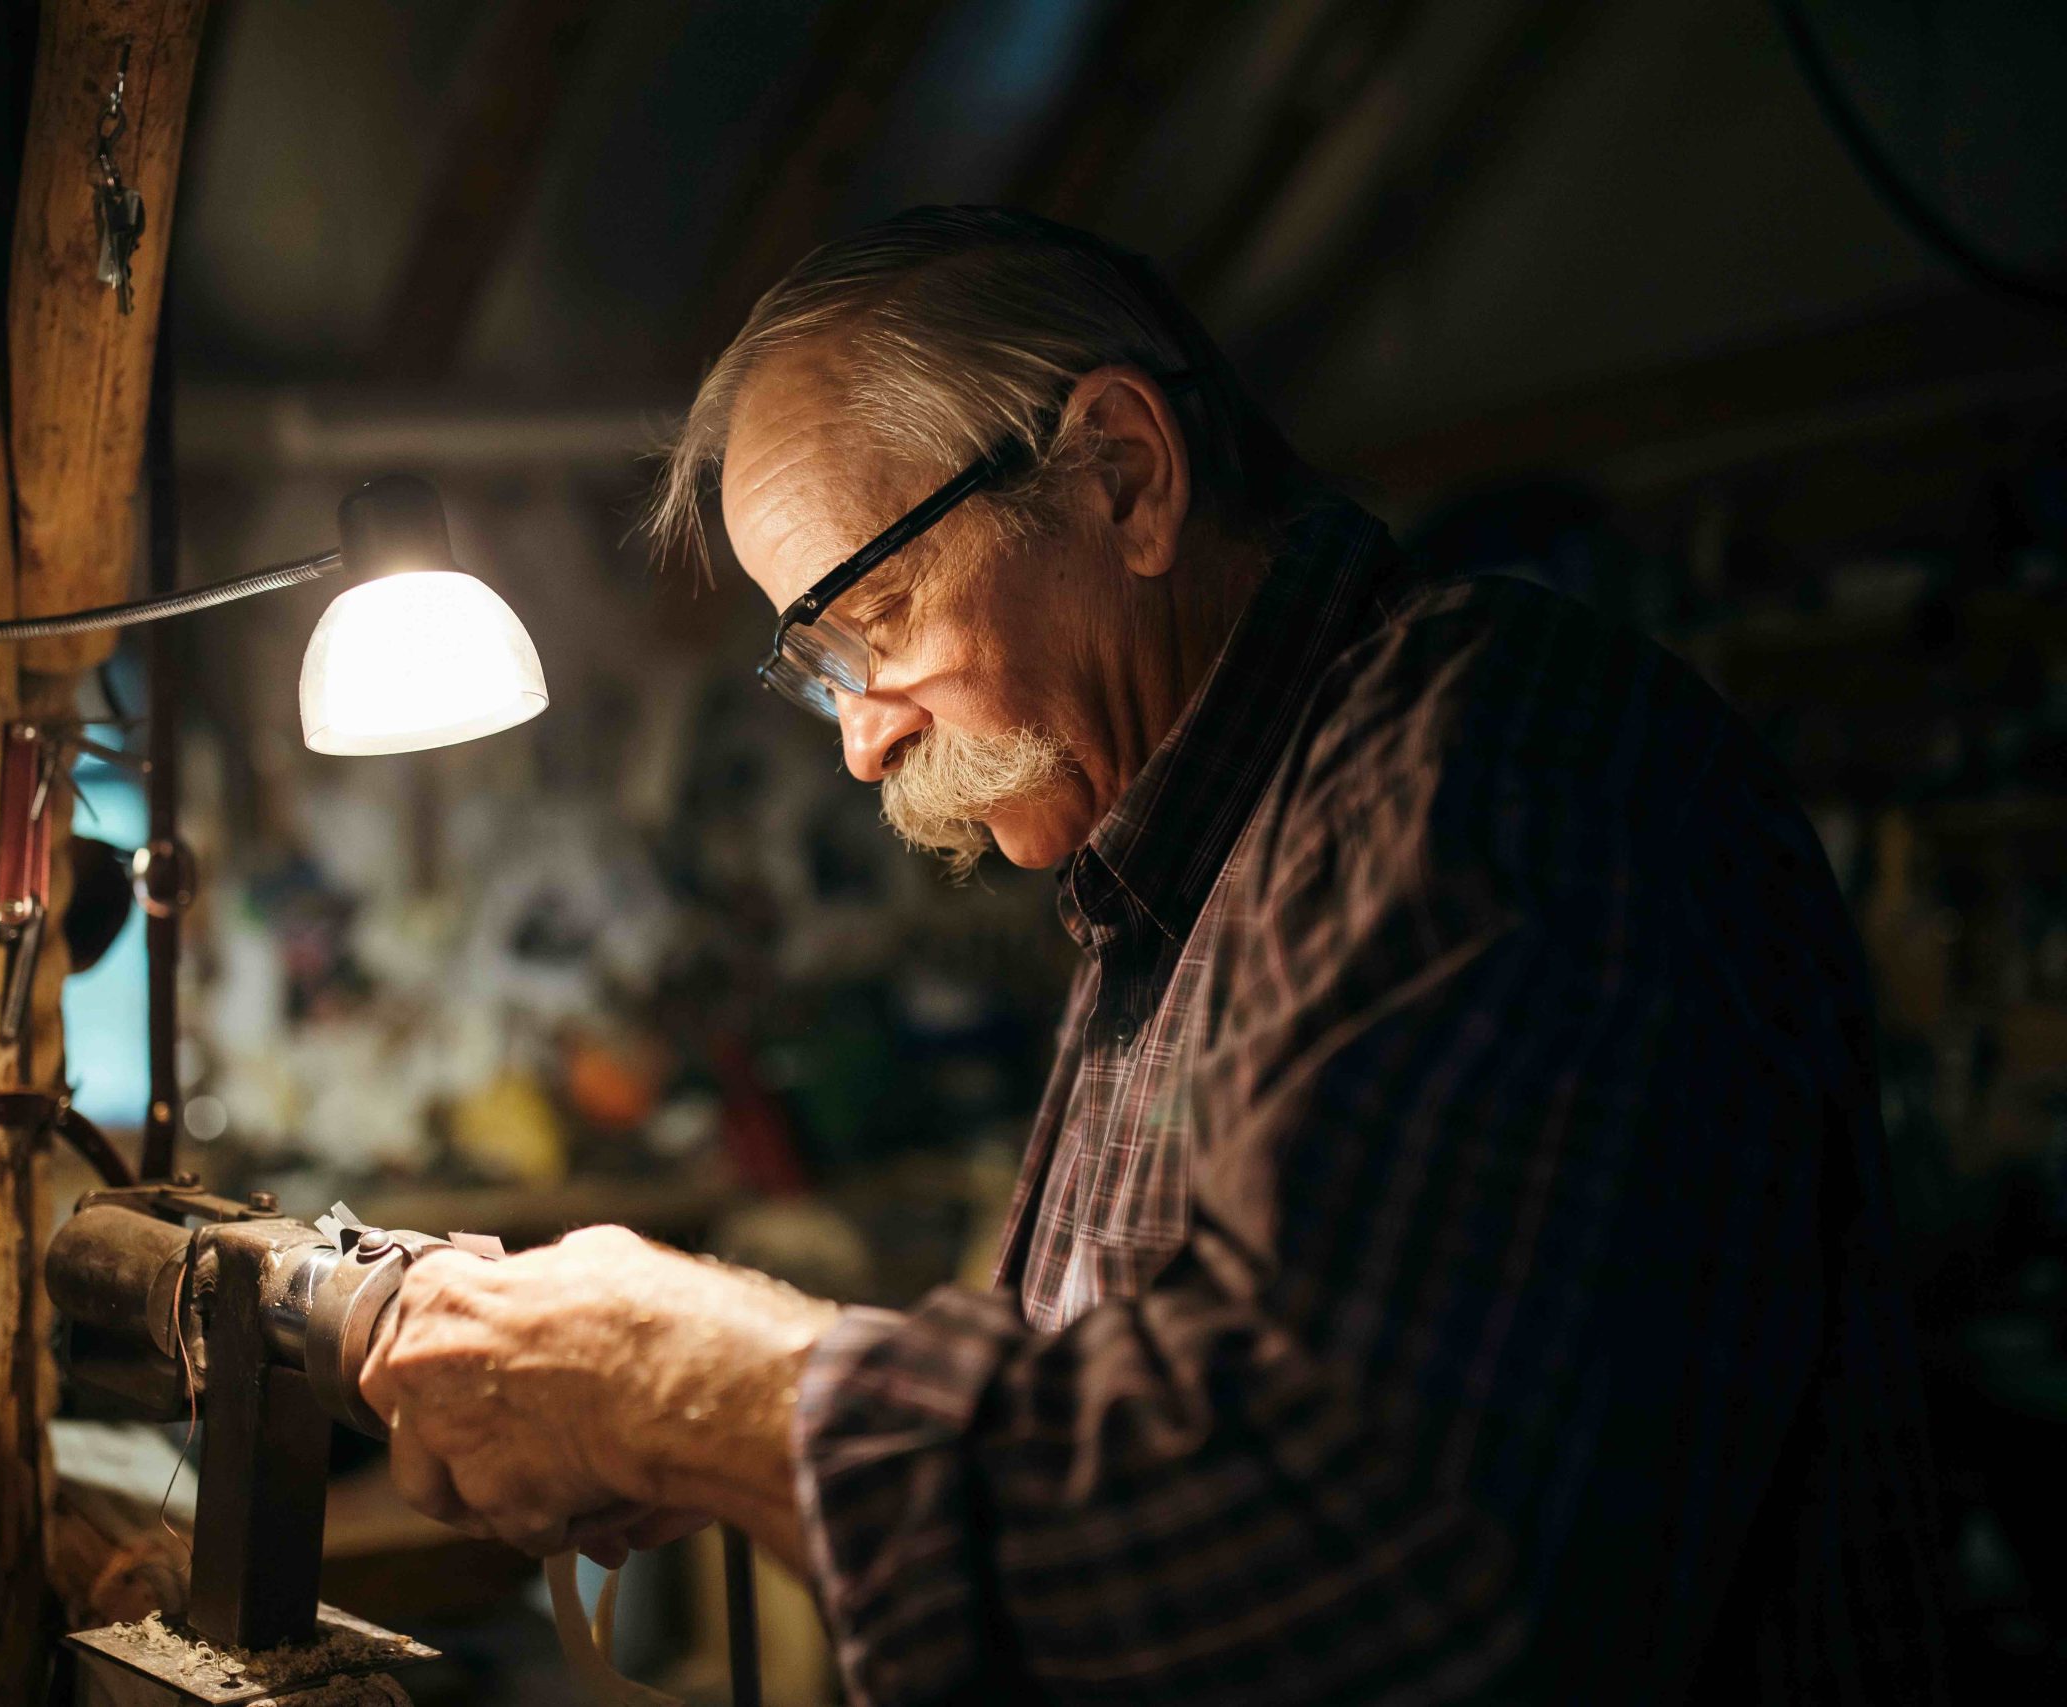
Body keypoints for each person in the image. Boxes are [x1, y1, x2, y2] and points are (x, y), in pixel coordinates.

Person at [356, 208, 1948, 1704]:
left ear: (1121, 476)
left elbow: (1351, 1561)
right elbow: (1119, 1445)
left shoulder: (1501, 762)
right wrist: (713, 1431)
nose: (857, 741)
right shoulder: (1166, 886)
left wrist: (690, 1380)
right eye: (817, 665)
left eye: (879, 617)